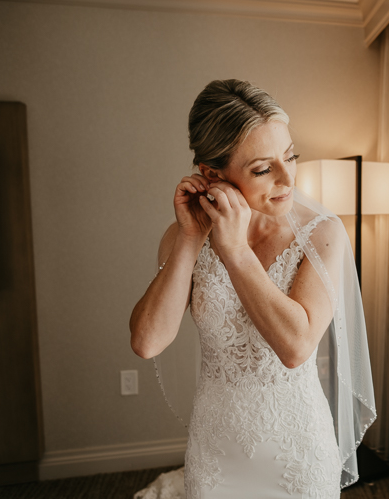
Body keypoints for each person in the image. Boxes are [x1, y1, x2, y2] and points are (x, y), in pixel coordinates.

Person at [130, 79, 375, 499]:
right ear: (212, 175)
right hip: (217, 454)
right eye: (263, 168)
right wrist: (191, 238)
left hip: (296, 455)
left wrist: (236, 251)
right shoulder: (182, 237)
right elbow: (147, 341)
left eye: (290, 157)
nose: (287, 178)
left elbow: (296, 347)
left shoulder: (323, 235)